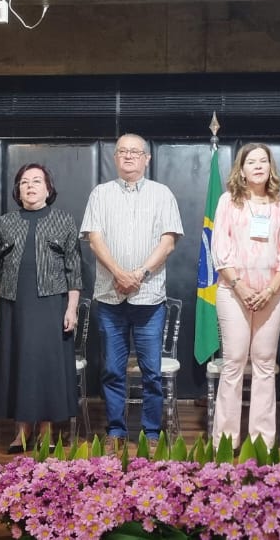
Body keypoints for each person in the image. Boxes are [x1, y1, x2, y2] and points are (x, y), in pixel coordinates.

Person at [80, 133, 183, 450]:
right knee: (112, 371)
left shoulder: (162, 194)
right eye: (122, 151)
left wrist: (138, 274)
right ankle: (116, 432)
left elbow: (168, 241)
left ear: (146, 158)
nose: (128, 156)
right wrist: (119, 273)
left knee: (152, 373)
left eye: (135, 152)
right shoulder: (101, 194)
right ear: (115, 157)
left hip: (149, 298)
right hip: (111, 298)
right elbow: (94, 239)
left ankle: (152, 434)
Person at [0, 164, 83, 453]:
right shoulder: (5, 222)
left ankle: (47, 433)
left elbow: (73, 270)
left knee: (46, 368)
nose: (30, 186)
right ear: (18, 190)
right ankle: (21, 433)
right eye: (24, 182)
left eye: (37, 181)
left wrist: (72, 308)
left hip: (51, 305)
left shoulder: (64, 220)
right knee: (19, 365)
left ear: (48, 188)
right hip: (13, 306)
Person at [211, 143, 280, 448]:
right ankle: (226, 441)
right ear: (242, 169)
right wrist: (242, 287)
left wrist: (271, 289)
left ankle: (261, 441)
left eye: (264, 161)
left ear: (270, 168)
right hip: (233, 292)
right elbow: (220, 251)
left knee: (264, 363)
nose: (259, 165)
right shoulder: (228, 202)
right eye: (252, 161)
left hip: (272, 295)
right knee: (234, 361)